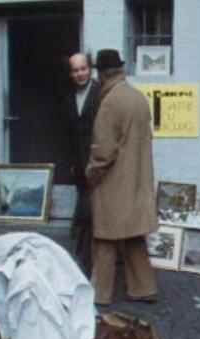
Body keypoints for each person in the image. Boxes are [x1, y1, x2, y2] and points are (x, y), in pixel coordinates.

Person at [85, 49, 158, 305]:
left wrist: (91, 175)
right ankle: (144, 288)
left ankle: (100, 295)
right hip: (136, 179)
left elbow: (103, 152)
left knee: (104, 239)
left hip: (113, 183)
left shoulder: (110, 102)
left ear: (101, 74)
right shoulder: (138, 98)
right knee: (133, 235)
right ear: (119, 70)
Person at [64, 52, 100, 277]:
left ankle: (86, 266)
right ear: (71, 73)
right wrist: (72, 163)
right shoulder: (69, 97)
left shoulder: (100, 93)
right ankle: (84, 262)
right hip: (79, 165)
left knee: (89, 215)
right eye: (75, 70)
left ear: (90, 68)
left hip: (97, 165)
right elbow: (69, 133)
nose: (80, 74)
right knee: (85, 213)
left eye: (83, 68)